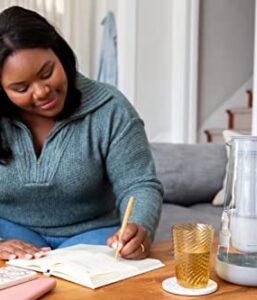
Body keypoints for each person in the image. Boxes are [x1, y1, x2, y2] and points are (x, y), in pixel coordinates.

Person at [0, 6, 163, 261]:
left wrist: (139, 226)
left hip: (93, 235)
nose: (42, 92)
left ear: (59, 54)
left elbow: (138, 184)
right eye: (21, 88)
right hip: (10, 233)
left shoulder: (110, 108)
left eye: (47, 73)